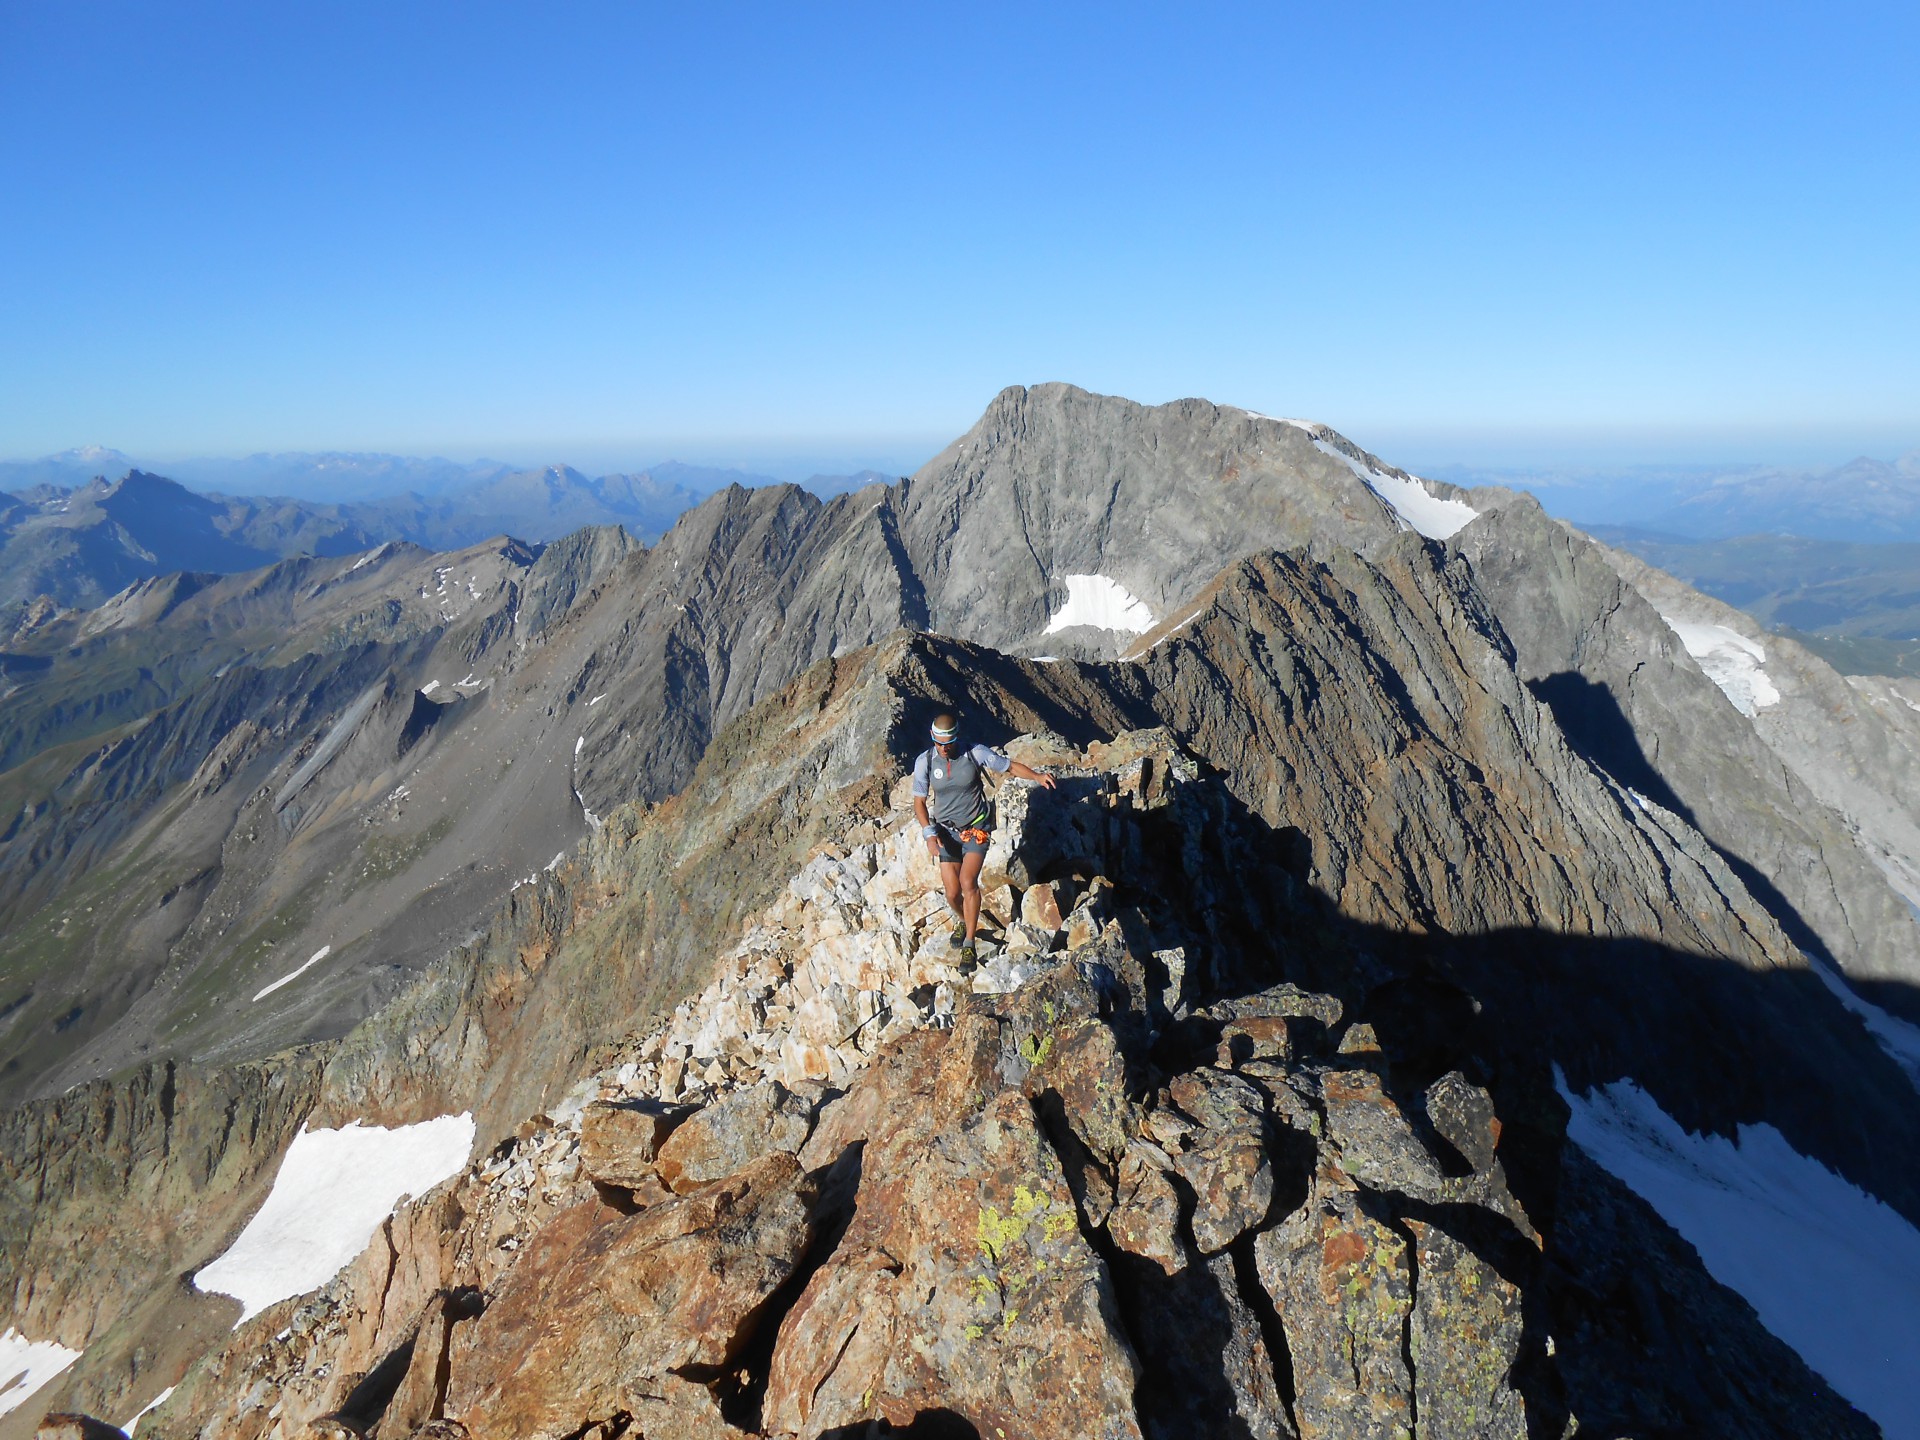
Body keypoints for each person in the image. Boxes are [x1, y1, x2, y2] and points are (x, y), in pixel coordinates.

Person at [911, 713, 1057, 965]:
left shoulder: (974, 753)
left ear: (956, 738)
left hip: (976, 829)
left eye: (948, 743)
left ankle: (969, 943)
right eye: (938, 743)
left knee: (968, 882)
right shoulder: (925, 761)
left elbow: (1008, 766)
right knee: (951, 893)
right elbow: (919, 802)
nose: (943, 748)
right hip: (946, 832)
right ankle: (964, 920)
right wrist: (929, 834)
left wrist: (1036, 776)